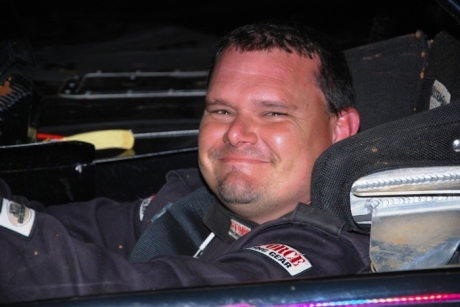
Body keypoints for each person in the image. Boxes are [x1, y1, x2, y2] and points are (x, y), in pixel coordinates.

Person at [0, 21, 367, 303]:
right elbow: (64, 227)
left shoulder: (324, 258)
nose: (236, 133)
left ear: (340, 129)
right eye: (221, 110)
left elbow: (160, 296)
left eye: (272, 113)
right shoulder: (194, 205)